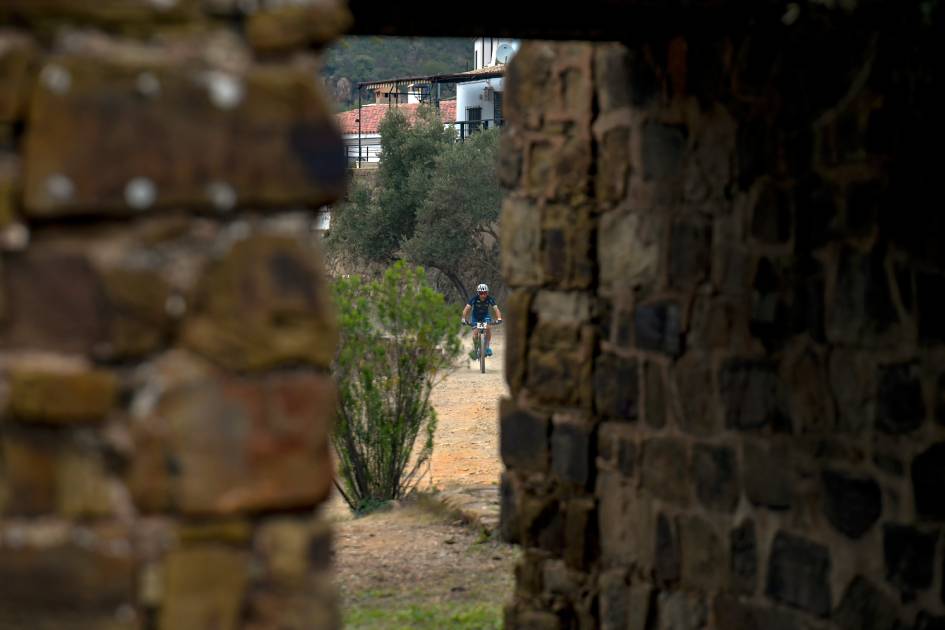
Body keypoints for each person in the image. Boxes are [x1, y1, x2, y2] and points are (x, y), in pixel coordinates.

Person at [462, 283, 502, 359]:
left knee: (488, 327)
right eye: (481, 293)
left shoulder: (490, 299)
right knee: (475, 332)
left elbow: (496, 309)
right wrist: (463, 319)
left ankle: (487, 347)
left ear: (487, 293)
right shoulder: (474, 299)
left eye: (485, 293)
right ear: (478, 293)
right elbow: (466, 309)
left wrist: (499, 318)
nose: (483, 295)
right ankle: (475, 348)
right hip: (475, 317)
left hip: (485, 316)